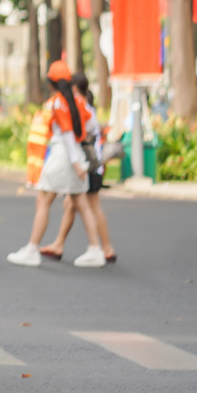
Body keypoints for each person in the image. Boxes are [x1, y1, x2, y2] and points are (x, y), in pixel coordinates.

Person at [7, 60, 105, 268]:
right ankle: (95, 249)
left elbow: (68, 134)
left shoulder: (59, 102)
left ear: (51, 82)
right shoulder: (78, 101)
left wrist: (75, 162)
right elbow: (91, 124)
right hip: (75, 155)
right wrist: (80, 154)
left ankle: (32, 248)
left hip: (63, 156)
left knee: (43, 200)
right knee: (81, 203)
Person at [38, 72, 116, 263]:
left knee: (86, 205)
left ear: (73, 88)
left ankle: (103, 247)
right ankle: (61, 244)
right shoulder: (84, 104)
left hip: (85, 164)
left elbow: (73, 135)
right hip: (89, 163)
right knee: (72, 205)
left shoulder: (78, 105)